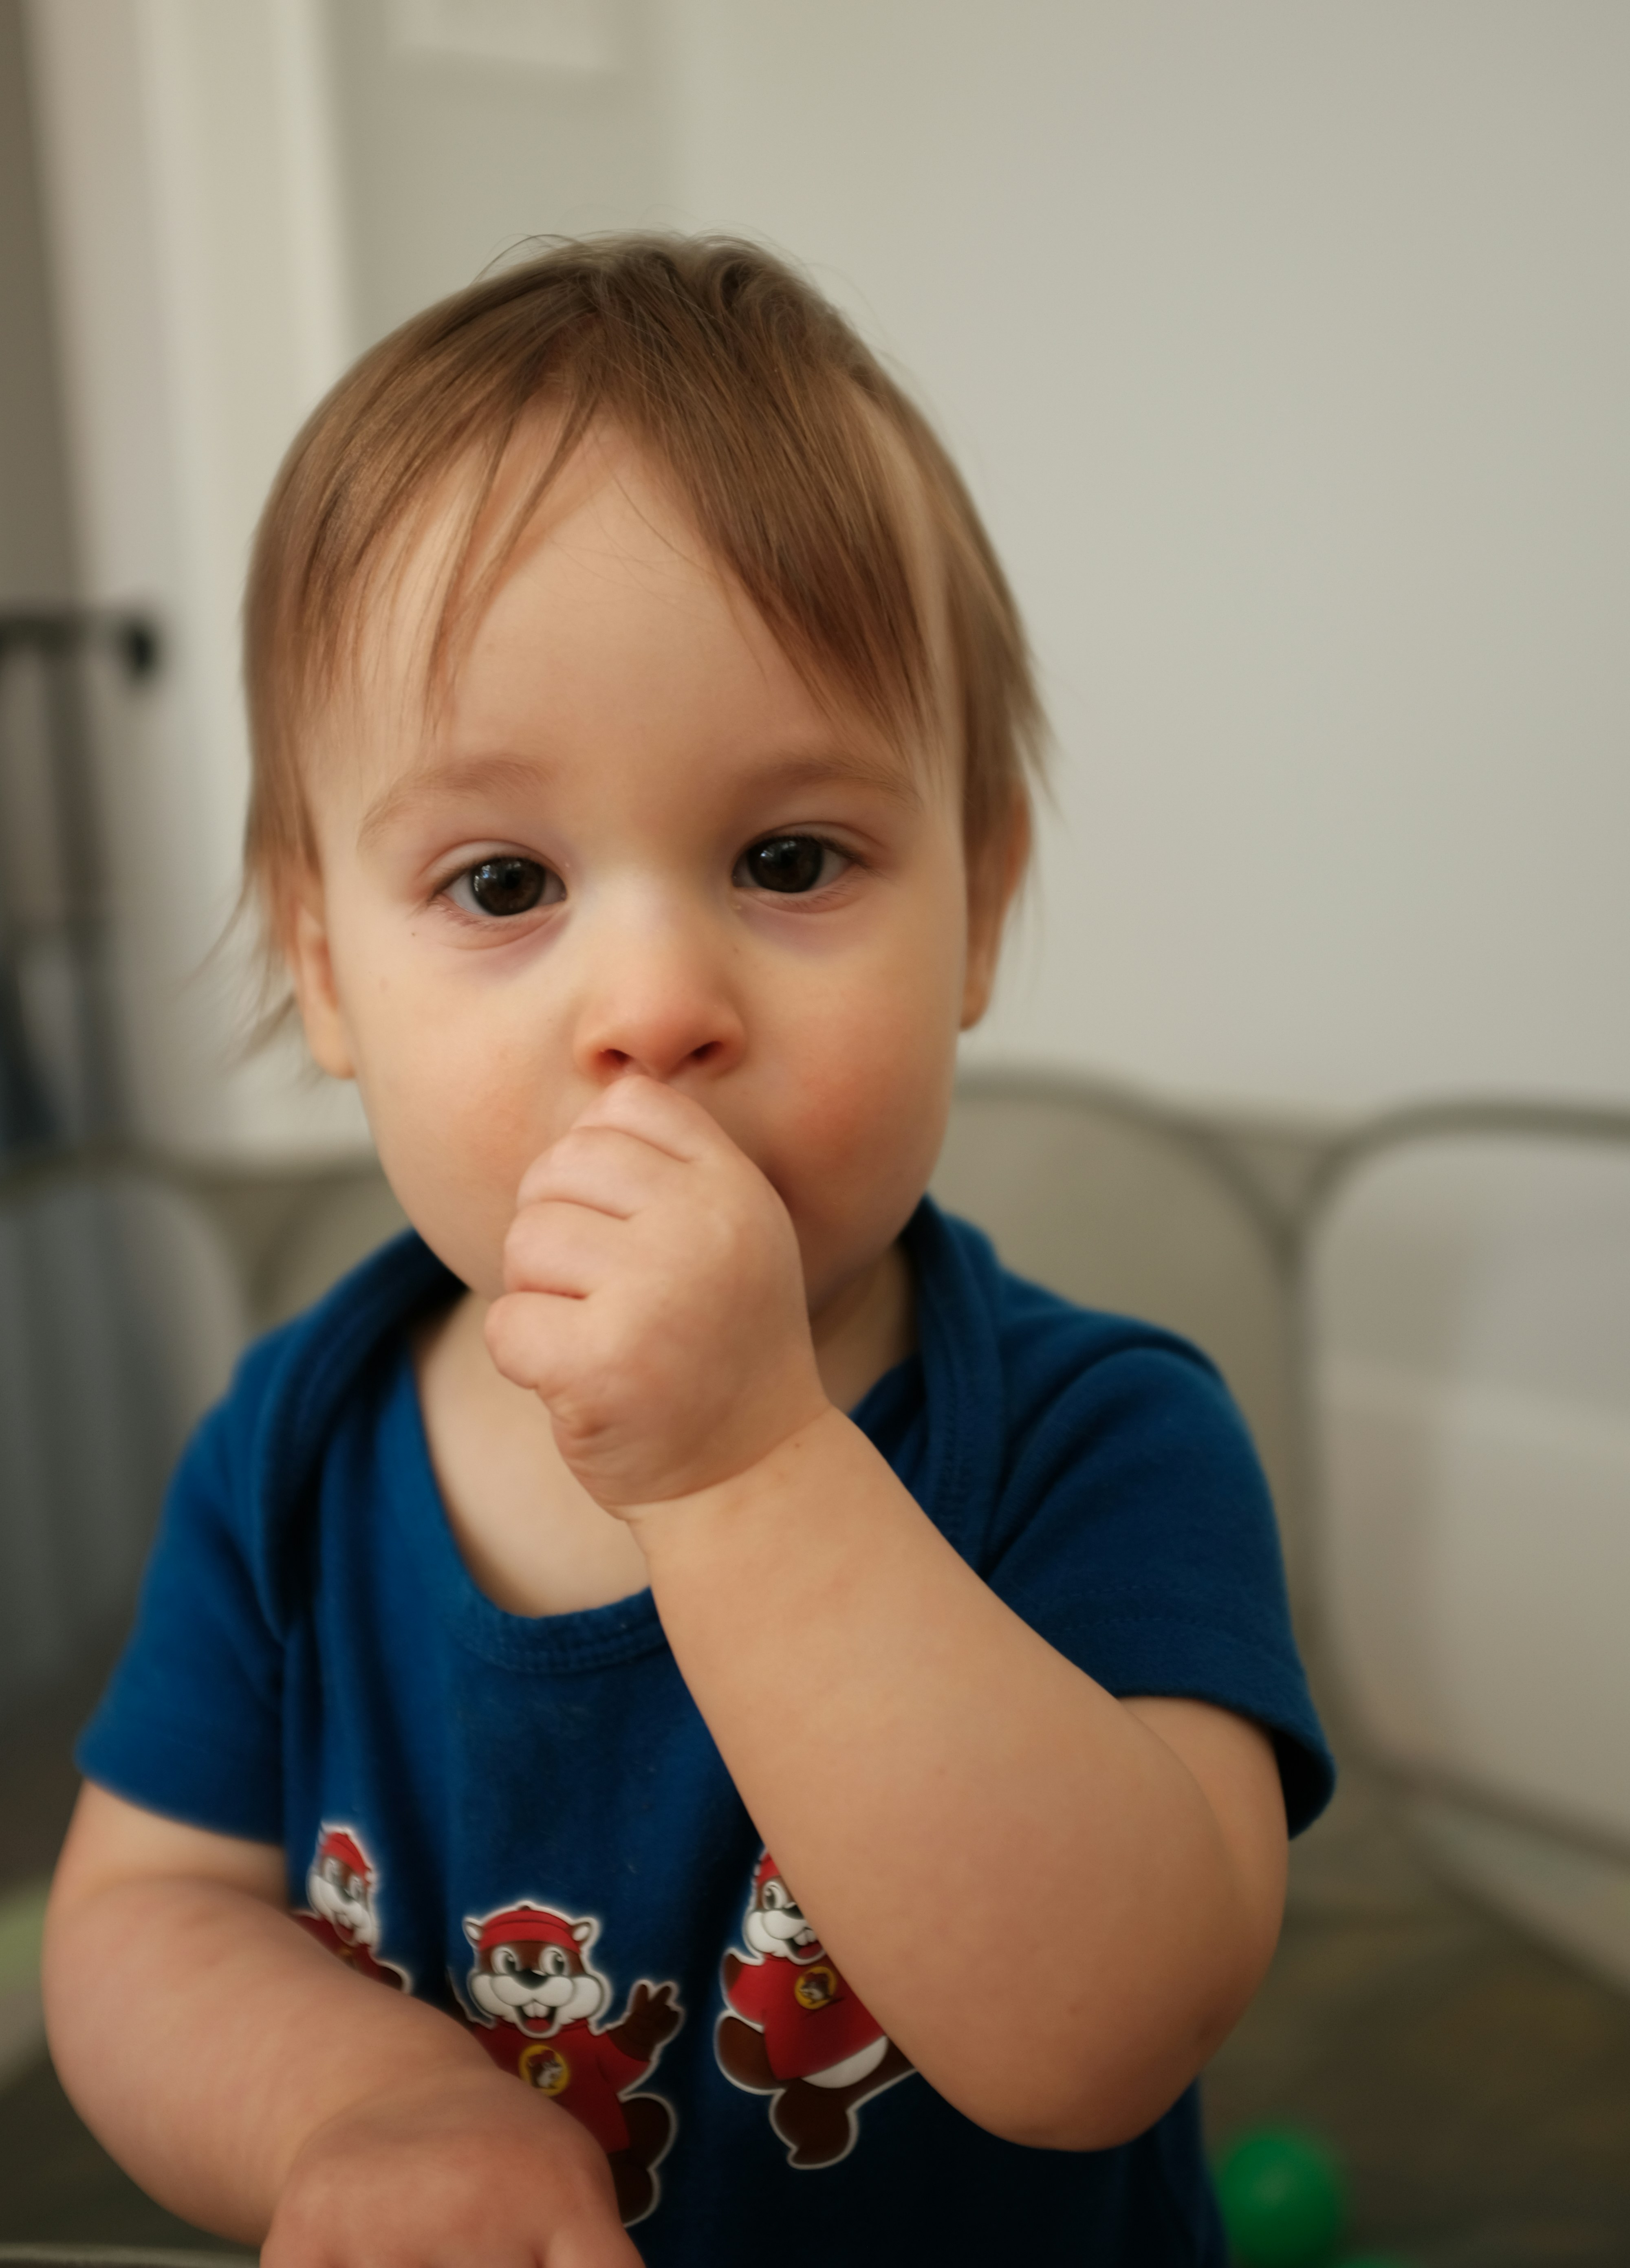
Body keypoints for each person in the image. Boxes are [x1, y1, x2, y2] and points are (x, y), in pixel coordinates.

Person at [43, 235, 1332, 2265]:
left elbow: (1104, 2034)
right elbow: (140, 1919)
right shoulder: (292, 1449)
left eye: (788, 858)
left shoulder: (1103, 1442)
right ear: (328, 968)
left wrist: (742, 1464)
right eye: (502, 882)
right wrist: (352, 2106)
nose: (652, 1004)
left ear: (979, 909)